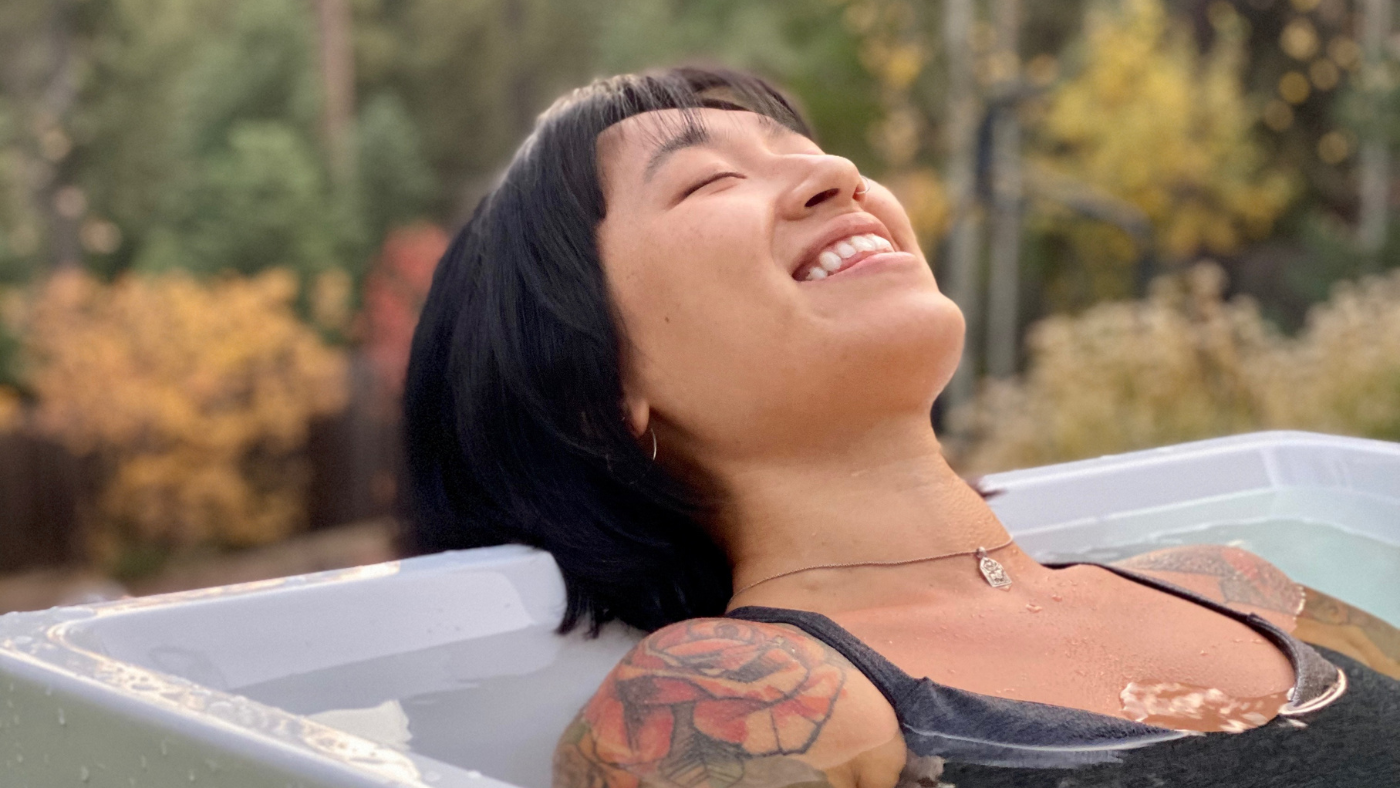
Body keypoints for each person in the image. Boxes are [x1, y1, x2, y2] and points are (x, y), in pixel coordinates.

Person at [402, 67, 1400, 788]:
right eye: (707, 181)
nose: (836, 173)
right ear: (595, 393)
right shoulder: (740, 699)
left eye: (807, 152)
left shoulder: (1231, 582)